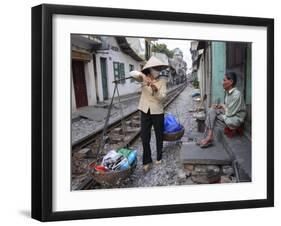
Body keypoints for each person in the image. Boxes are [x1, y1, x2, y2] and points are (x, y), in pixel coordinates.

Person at [129, 56, 168, 172]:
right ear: (150, 69)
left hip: (157, 111)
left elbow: (163, 98)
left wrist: (155, 90)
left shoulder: (162, 81)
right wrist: (142, 76)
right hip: (145, 110)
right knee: (145, 137)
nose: (158, 71)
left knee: (158, 135)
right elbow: (133, 73)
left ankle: (159, 156)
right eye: (155, 68)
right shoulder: (143, 79)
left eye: (159, 69)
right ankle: (147, 160)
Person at [197, 71, 247, 148]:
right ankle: (208, 136)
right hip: (230, 115)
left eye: (224, 80)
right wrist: (219, 106)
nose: (222, 82)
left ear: (230, 82)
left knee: (211, 115)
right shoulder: (228, 93)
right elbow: (228, 107)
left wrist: (223, 106)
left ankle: (209, 137)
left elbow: (229, 113)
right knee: (212, 110)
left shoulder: (237, 94)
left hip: (234, 119)